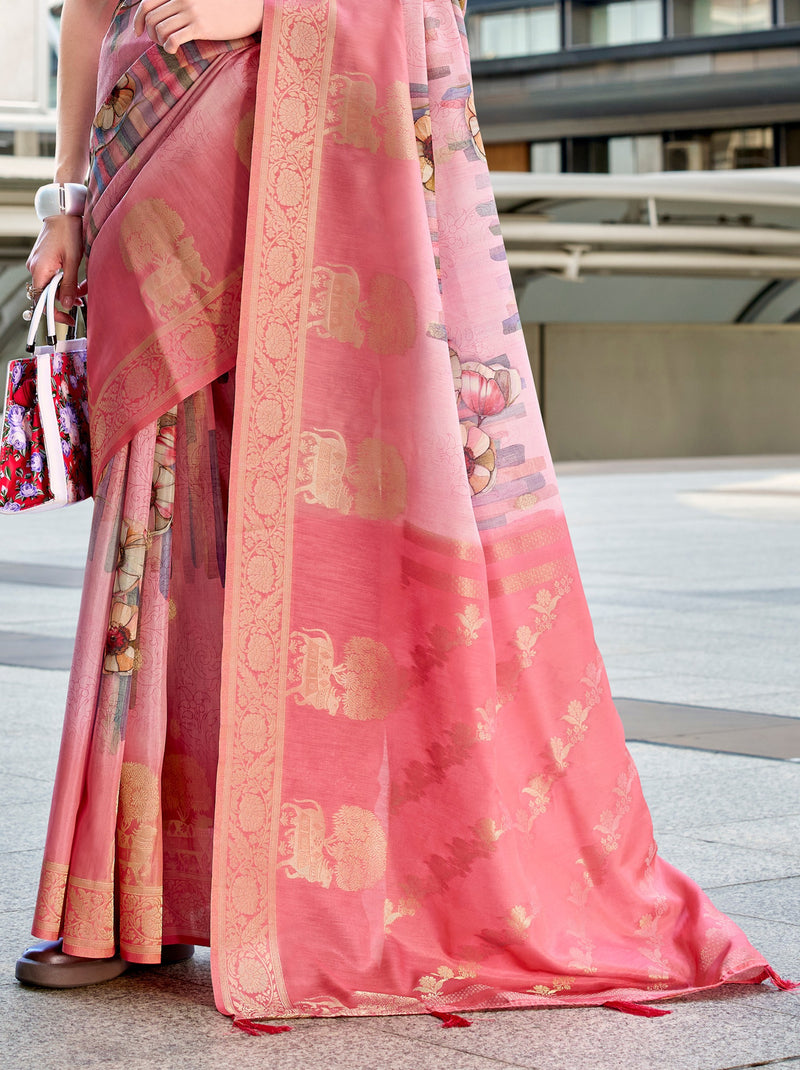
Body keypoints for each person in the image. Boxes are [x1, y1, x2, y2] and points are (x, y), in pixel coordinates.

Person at [15, 0, 791, 1024]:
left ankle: (277, 886)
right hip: (145, 166)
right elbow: (83, 11)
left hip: (290, 175)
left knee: (290, 532)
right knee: (155, 539)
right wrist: (64, 193)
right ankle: (130, 898)